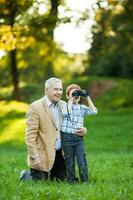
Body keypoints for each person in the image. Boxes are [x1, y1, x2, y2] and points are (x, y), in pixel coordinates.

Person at [25, 78, 86, 181]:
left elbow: (75, 121)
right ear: (46, 90)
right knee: (39, 181)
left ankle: (52, 173)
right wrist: (35, 157)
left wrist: (84, 130)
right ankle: (26, 174)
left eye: (61, 90)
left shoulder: (64, 105)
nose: (59, 92)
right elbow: (30, 137)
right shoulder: (35, 107)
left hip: (60, 154)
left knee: (63, 180)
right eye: (56, 89)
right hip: (42, 155)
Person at [61, 84, 97, 183]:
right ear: (67, 96)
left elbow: (94, 111)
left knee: (82, 160)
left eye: (78, 94)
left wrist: (87, 97)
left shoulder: (81, 108)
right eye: (73, 93)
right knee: (70, 161)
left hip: (78, 139)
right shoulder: (64, 105)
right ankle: (72, 181)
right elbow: (66, 113)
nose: (76, 96)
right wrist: (71, 100)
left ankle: (85, 180)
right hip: (67, 138)